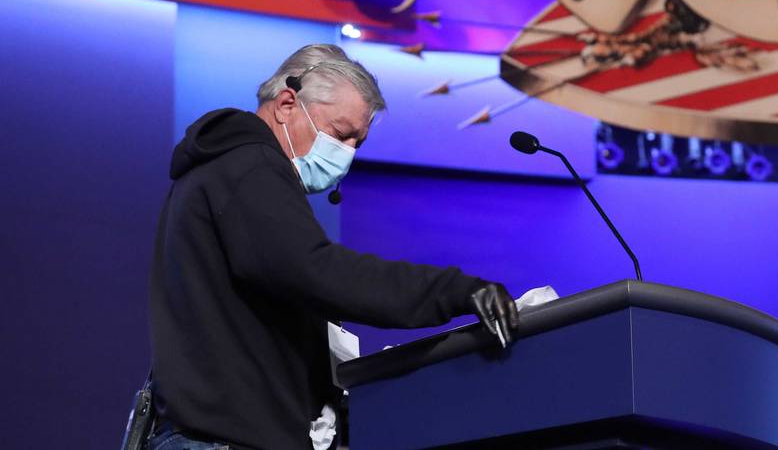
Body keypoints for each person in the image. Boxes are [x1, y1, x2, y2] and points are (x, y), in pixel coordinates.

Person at [146, 44, 519, 450]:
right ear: (287, 105)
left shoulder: (217, 170)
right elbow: (318, 273)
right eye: (341, 134)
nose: (347, 155)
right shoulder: (250, 166)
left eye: (357, 143)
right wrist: (455, 290)